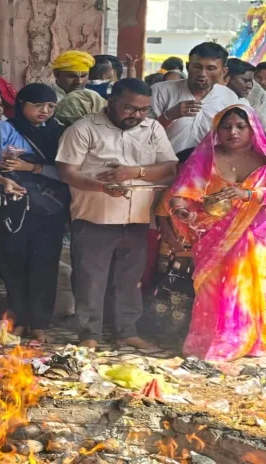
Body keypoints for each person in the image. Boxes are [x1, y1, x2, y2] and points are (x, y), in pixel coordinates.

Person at [165, 106, 266, 360]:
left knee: (256, 286)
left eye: (240, 126)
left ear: (254, 129)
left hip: (262, 233)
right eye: (226, 127)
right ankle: (212, 341)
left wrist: (250, 195)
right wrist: (181, 210)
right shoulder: (205, 156)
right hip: (215, 232)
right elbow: (182, 192)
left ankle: (252, 341)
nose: (233, 132)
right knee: (213, 288)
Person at [57, 78, 177, 351]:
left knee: (129, 278)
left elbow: (169, 169)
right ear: (112, 102)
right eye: (130, 108)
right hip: (94, 217)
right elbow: (67, 172)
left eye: (144, 110)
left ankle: (126, 331)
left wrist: (134, 172)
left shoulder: (152, 128)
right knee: (90, 278)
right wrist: (101, 186)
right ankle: (89, 333)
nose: (137, 115)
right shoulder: (84, 129)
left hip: (137, 218)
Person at [0, 83, 69, 342]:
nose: (45, 111)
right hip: (9, 207)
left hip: (50, 208)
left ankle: (40, 324)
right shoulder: (3, 129)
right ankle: (17, 319)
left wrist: (31, 167)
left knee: (44, 265)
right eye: (37, 105)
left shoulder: (61, 133)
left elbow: (67, 172)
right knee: (12, 265)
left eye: (50, 106)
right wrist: (0, 179)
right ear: (21, 104)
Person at [150, 42, 242, 158]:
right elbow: (141, 134)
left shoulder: (228, 97)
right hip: (164, 166)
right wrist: (168, 116)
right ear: (188, 67)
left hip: (207, 168)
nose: (202, 74)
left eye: (211, 68)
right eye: (197, 67)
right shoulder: (161, 91)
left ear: (223, 71)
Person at [53, 51, 107, 126]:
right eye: (72, 76)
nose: (79, 81)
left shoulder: (92, 97)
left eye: (83, 76)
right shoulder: (46, 96)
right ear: (56, 74)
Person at [224, 58, 266, 126]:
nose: (250, 86)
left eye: (251, 81)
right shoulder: (213, 99)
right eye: (245, 80)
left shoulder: (244, 104)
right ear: (227, 77)